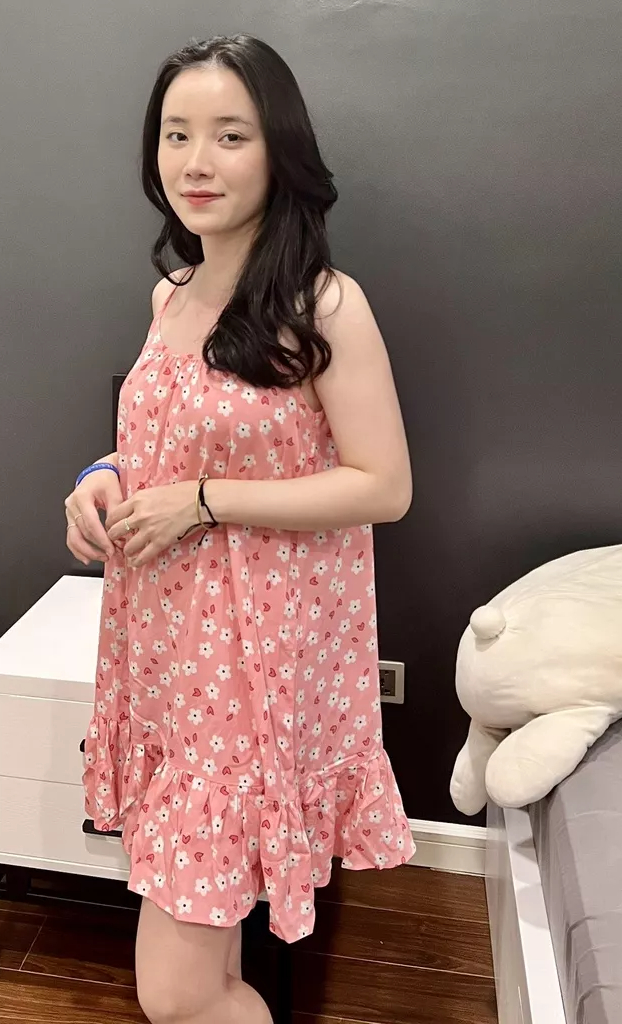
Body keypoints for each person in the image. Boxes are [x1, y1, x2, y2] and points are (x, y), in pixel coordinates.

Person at [64, 33, 414, 1024]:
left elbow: (384, 485)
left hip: (249, 670)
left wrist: (206, 499)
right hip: (163, 658)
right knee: (194, 974)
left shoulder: (326, 305)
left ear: (278, 150)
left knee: (176, 993)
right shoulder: (170, 297)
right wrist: (101, 477)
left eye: (229, 134)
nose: (196, 161)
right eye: (176, 134)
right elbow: (165, 443)